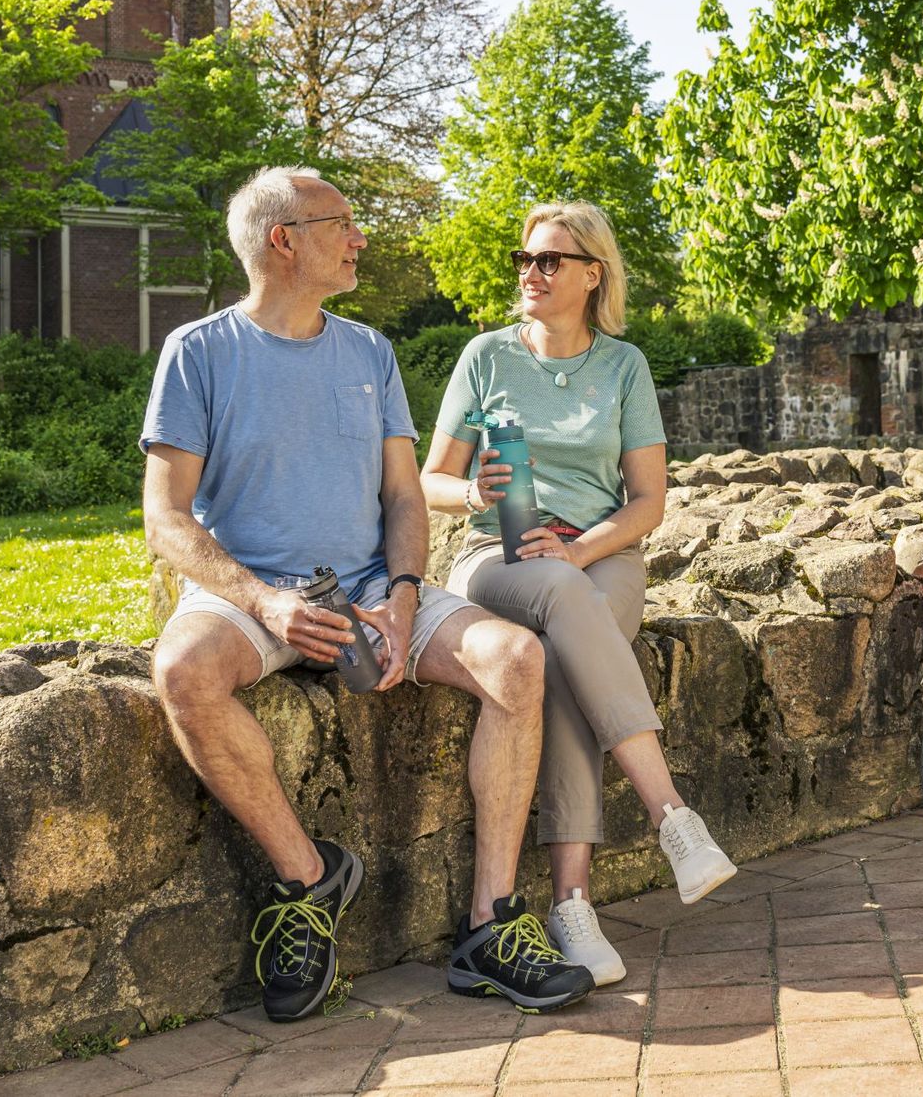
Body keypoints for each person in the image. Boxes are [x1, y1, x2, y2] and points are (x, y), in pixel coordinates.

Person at [143, 167, 592, 1021]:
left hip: (371, 588)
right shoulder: (197, 352)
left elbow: (402, 497)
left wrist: (401, 594)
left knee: (518, 659)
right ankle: (308, 878)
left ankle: (490, 928)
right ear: (284, 240)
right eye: (342, 223)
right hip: (253, 595)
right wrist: (265, 601)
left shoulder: (369, 351)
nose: (359, 238)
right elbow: (164, 518)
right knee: (182, 672)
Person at [420, 201, 736, 985]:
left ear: (593, 274)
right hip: (495, 553)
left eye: (550, 260)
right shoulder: (485, 356)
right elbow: (427, 480)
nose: (531, 272)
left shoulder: (624, 365)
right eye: (524, 259)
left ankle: (571, 906)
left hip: (601, 555)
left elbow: (648, 502)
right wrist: (471, 493)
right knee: (562, 600)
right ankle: (672, 816)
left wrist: (577, 545)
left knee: (565, 661)